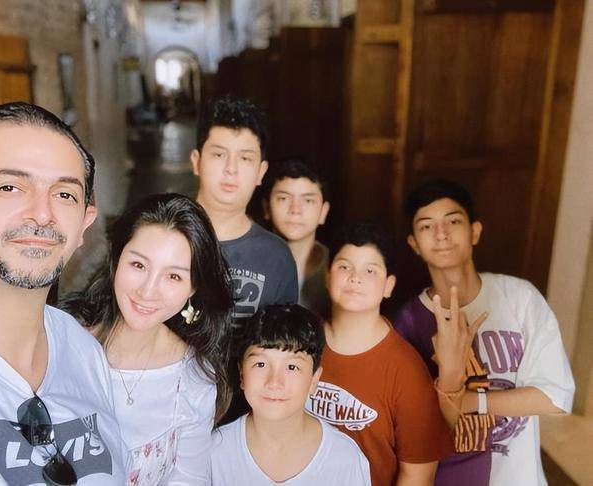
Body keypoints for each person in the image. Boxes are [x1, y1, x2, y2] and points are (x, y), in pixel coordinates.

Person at [0, 102, 126, 484]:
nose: (42, 213)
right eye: (9, 187)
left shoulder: (84, 351)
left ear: (84, 224)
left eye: (65, 194)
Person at [394, 179, 575, 486]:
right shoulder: (408, 321)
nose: (441, 233)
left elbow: (555, 398)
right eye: (426, 226)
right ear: (414, 243)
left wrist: (468, 401)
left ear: (475, 231)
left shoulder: (520, 298)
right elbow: (414, 427)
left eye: (453, 221)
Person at [60, 193, 233, 485]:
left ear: (193, 288)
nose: (148, 291)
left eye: (173, 277)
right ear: (117, 259)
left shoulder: (193, 378)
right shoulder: (62, 341)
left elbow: (188, 479)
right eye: (139, 265)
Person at [306, 222, 453, 486]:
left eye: (370, 270)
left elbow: (418, 477)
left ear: (388, 286)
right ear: (327, 277)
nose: (355, 277)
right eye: (344, 266)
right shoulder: (299, 342)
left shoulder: (407, 372)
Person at [210, 304, 370, 485]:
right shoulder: (215, 451)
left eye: (292, 367)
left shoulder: (345, 459)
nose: (274, 382)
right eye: (261, 364)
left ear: (314, 380)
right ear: (241, 374)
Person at [191, 95, 298, 319]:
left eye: (245, 158)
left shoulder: (276, 257)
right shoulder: (161, 238)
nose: (231, 168)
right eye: (219, 154)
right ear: (196, 161)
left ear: (261, 171)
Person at [263, 157, 331, 318]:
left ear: (323, 211)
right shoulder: (248, 262)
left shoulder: (336, 267)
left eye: (308, 200)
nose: (295, 209)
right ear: (266, 208)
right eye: (283, 198)